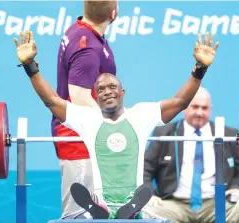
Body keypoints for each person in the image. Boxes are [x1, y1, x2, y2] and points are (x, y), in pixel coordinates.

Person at [14, 30, 219, 219]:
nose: (107, 91)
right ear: (96, 97)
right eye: (100, 89)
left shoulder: (141, 114)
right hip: (101, 204)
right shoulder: (88, 120)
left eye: (112, 86)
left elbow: (180, 102)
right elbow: (52, 101)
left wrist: (200, 69)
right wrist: (30, 66)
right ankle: (101, 208)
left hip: (136, 200)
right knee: (102, 209)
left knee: (135, 204)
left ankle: (129, 208)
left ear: (123, 93)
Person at [143, 87, 239, 223]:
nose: (199, 112)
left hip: (215, 204)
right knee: (149, 213)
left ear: (211, 109)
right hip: (173, 204)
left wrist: (237, 188)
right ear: (184, 107)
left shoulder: (229, 134)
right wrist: (148, 194)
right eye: (195, 107)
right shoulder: (164, 133)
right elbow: (145, 168)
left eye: (204, 108)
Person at [51, 0, 118, 217]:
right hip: (78, 142)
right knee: (78, 217)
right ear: (113, 13)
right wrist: (113, 125)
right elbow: (79, 97)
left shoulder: (79, 30)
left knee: (95, 215)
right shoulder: (87, 47)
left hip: (84, 139)